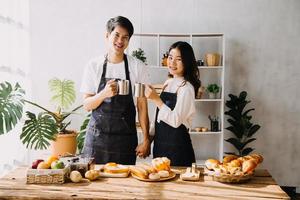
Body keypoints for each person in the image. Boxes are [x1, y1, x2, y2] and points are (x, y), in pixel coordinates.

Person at [80, 16, 150, 164]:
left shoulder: (137, 67)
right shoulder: (94, 66)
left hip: (125, 141)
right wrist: (103, 94)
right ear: (107, 35)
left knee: (124, 184)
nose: (120, 41)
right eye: (116, 35)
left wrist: (146, 139)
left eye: (125, 37)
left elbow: (142, 106)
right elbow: (87, 105)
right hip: (96, 140)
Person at [145, 41, 201, 166]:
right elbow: (157, 117)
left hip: (178, 149)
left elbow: (176, 121)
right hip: (159, 146)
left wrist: (156, 99)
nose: (172, 62)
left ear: (187, 62)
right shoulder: (168, 82)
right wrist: (148, 140)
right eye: (170, 57)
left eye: (178, 59)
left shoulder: (187, 88)